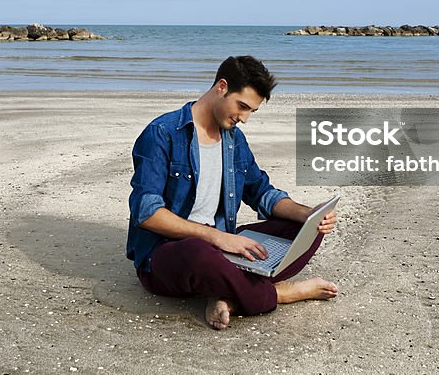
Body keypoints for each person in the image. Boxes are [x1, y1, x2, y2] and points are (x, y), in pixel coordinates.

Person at [126, 55, 339, 329]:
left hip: (223, 245)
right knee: (200, 254)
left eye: (252, 111)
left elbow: (262, 192)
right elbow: (147, 214)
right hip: (169, 253)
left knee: (307, 230)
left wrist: (308, 215)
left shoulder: (233, 139)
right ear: (222, 87)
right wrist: (218, 238)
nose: (245, 118)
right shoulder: (162, 133)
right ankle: (280, 293)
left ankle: (229, 296)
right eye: (242, 106)